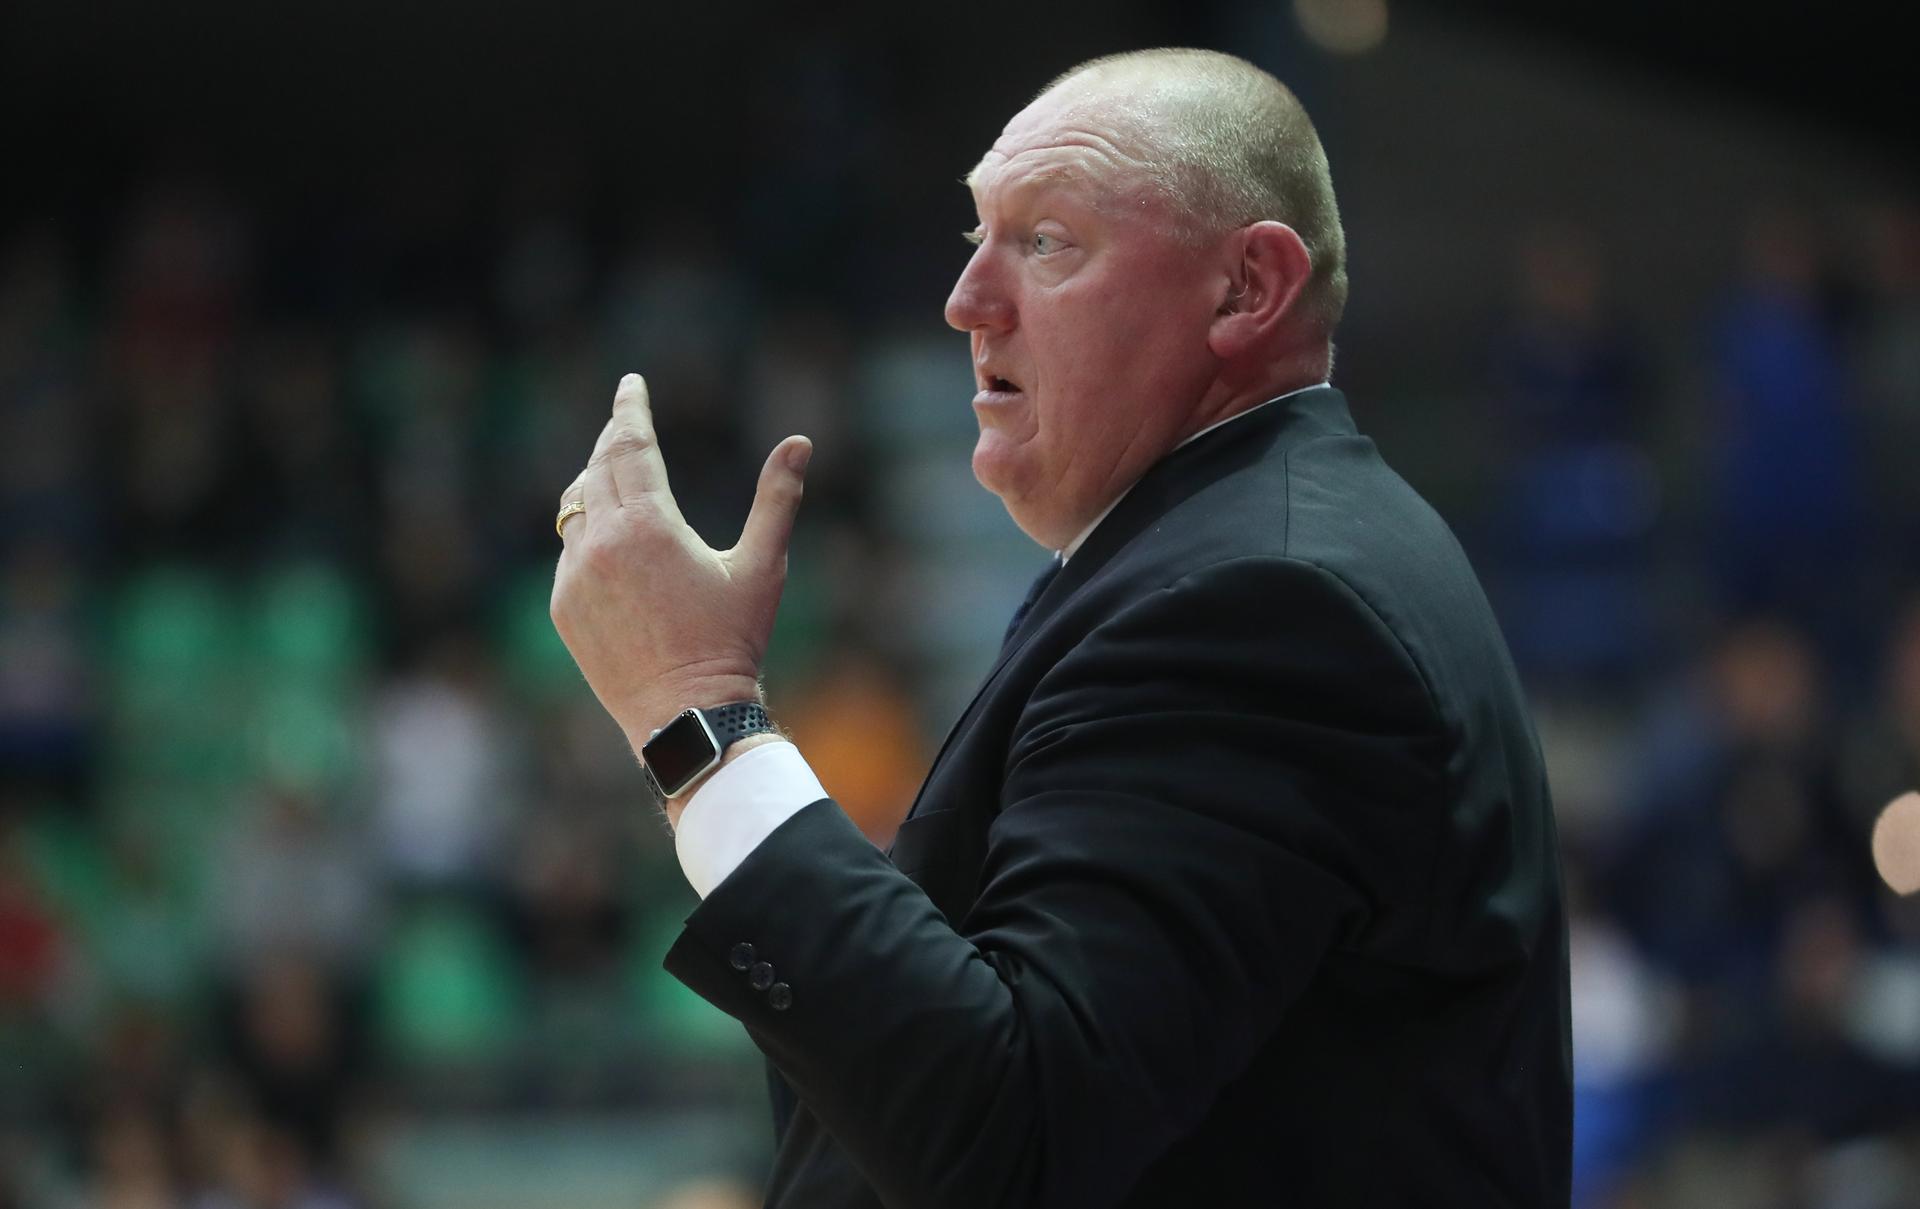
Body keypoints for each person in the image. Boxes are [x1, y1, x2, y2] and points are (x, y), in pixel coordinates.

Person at [549, 47, 1571, 1209]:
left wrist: (699, 716)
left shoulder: (1263, 603)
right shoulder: (1212, 557)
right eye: (977, 235)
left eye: (1046, 242)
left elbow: (1014, 1132)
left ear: (1246, 289)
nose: (967, 301)